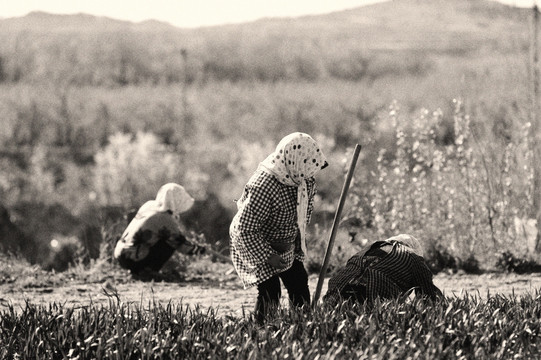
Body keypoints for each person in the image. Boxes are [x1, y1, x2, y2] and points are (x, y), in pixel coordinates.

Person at [229, 132, 328, 324]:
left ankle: (302, 324)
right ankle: (259, 329)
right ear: (296, 161)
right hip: (256, 240)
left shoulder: (304, 178)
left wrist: (297, 240)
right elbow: (244, 229)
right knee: (270, 290)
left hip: (285, 239)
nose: (311, 173)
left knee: (298, 281)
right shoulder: (264, 186)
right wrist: (269, 256)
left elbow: (303, 213)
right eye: (308, 167)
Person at [323, 234, 443, 307]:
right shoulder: (412, 257)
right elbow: (430, 297)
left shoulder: (363, 252)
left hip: (334, 296)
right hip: (371, 297)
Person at [114, 183, 205, 278]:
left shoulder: (148, 206)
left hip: (120, 255)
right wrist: (199, 249)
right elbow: (180, 244)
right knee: (170, 242)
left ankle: (137, 271)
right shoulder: (164, 217)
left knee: (163, 238)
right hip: (132, 258)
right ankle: (147, 271)